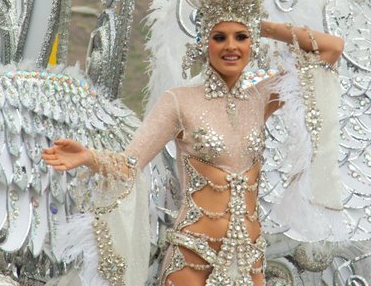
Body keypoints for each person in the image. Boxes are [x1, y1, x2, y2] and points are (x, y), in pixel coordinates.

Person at [42, 18, 344, 286]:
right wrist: (90, 157)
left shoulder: (261, 97)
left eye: (241, 37)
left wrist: (262, 24)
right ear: (204, 43)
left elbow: (331, 50)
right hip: (193, 258)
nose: (231, 46)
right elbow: (130, 164)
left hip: (249, 259)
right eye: (219, 37)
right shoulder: (179, 100)